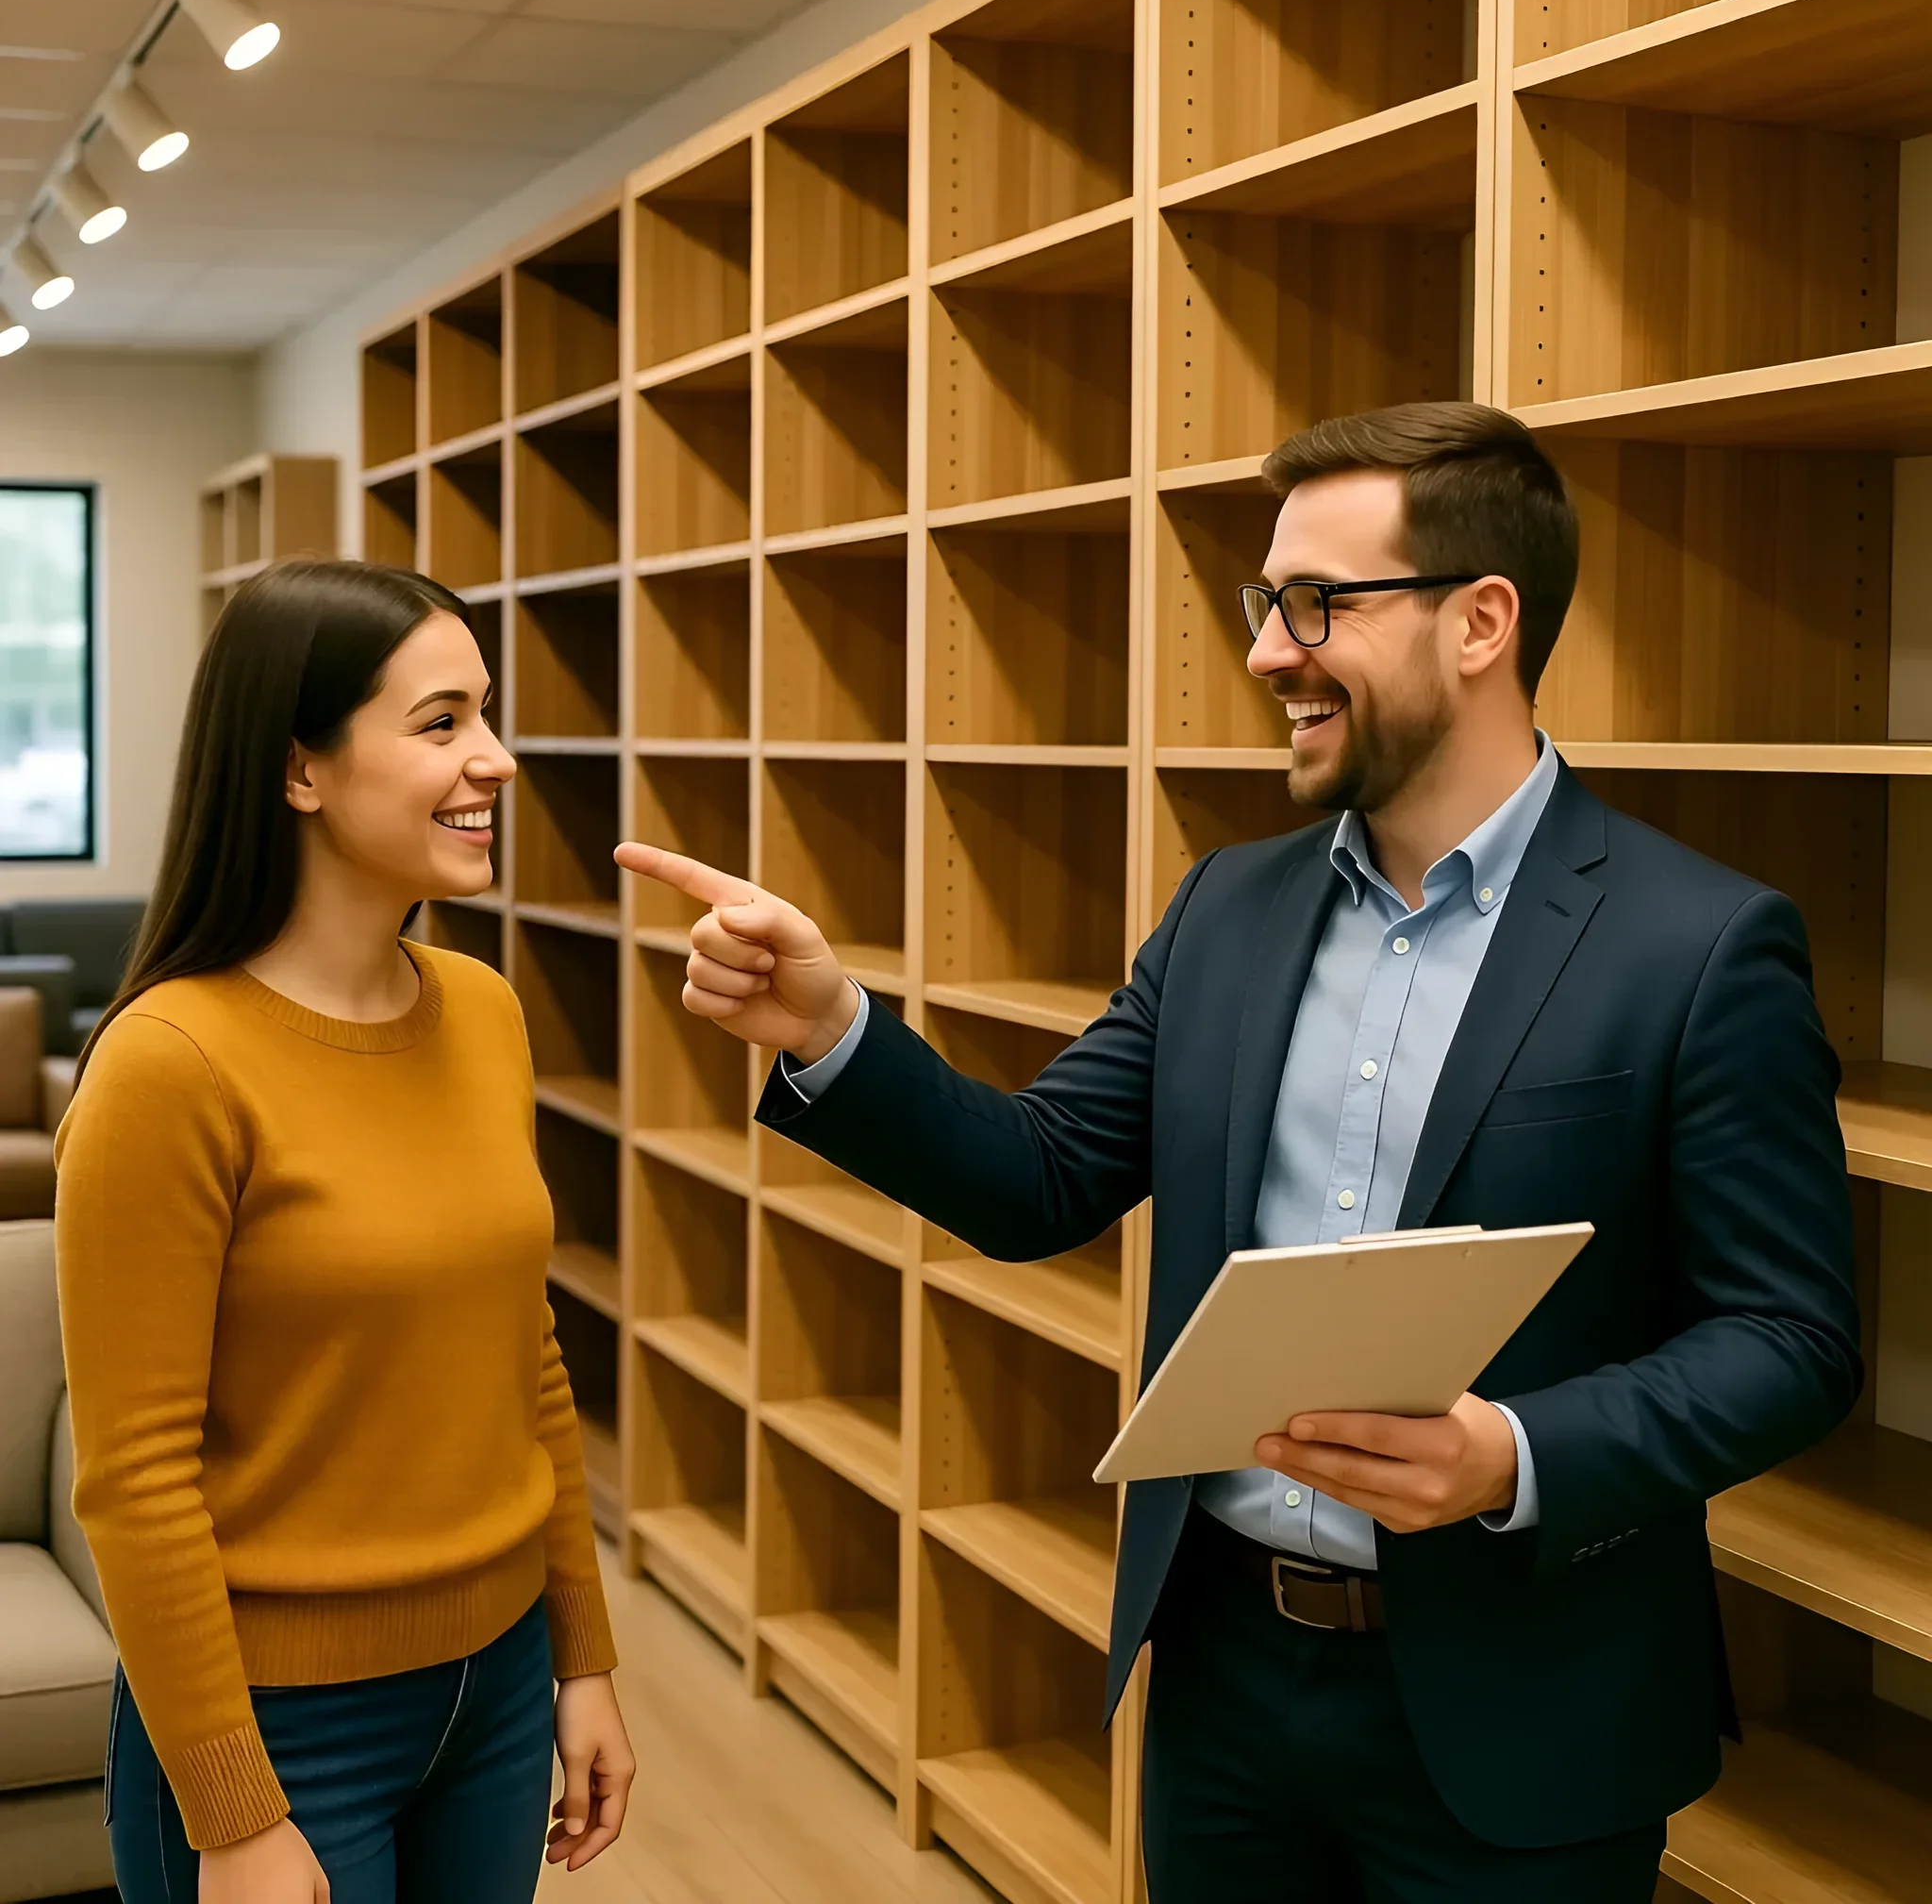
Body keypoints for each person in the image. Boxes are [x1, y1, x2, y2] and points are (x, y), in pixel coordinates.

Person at [615, 401, 1863, 1900]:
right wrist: (832, 1030)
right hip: (1222, 1688)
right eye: (1266, 603)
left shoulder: (1701, 944)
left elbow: (1789, 1339)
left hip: (1529, 1710)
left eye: (1316, 603)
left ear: (1481, 621)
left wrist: (1513, 1457)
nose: (1269, 651)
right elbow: (1039, 1179)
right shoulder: (1226, 909)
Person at [57, 560, 635, 1904]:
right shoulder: (167, 1066)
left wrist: (582, 1657)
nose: (495, 759)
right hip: (275, 1724)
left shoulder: (484, 1011)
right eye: (441, 723)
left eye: (486, 712)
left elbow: (528, 1362)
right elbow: (134, 1477)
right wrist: (232, 1812)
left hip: (495, 1692)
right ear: (299, 770)